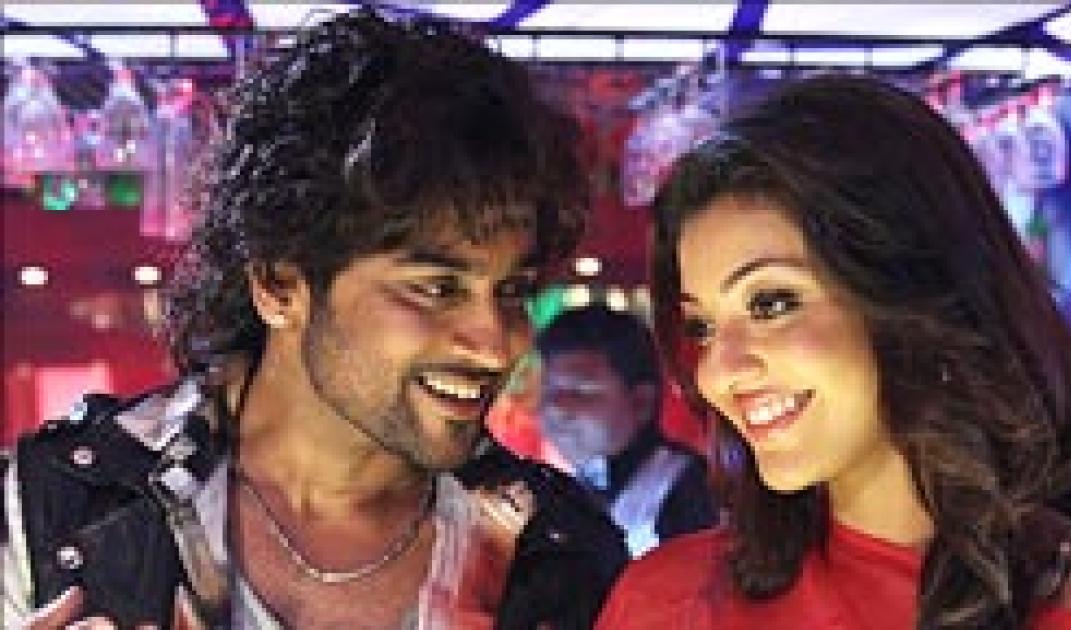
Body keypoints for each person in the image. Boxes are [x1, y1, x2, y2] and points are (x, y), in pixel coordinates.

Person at [1, 10, 627, 629]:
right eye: (437, 289)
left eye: (513, 291)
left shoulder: (564, 554)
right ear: (279, 284)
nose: (495, 346)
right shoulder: (54, 506)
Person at [598, 75, 1071, 629]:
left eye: (772, 303)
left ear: (915, 290)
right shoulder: (667, 601)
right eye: (702, 326)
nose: (719, 372)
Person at [535, 304, 717, 558]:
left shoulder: (692, 492)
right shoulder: (556, 490)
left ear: (641, 403)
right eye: (550, 390)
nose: (557, 408)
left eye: (582, 391)